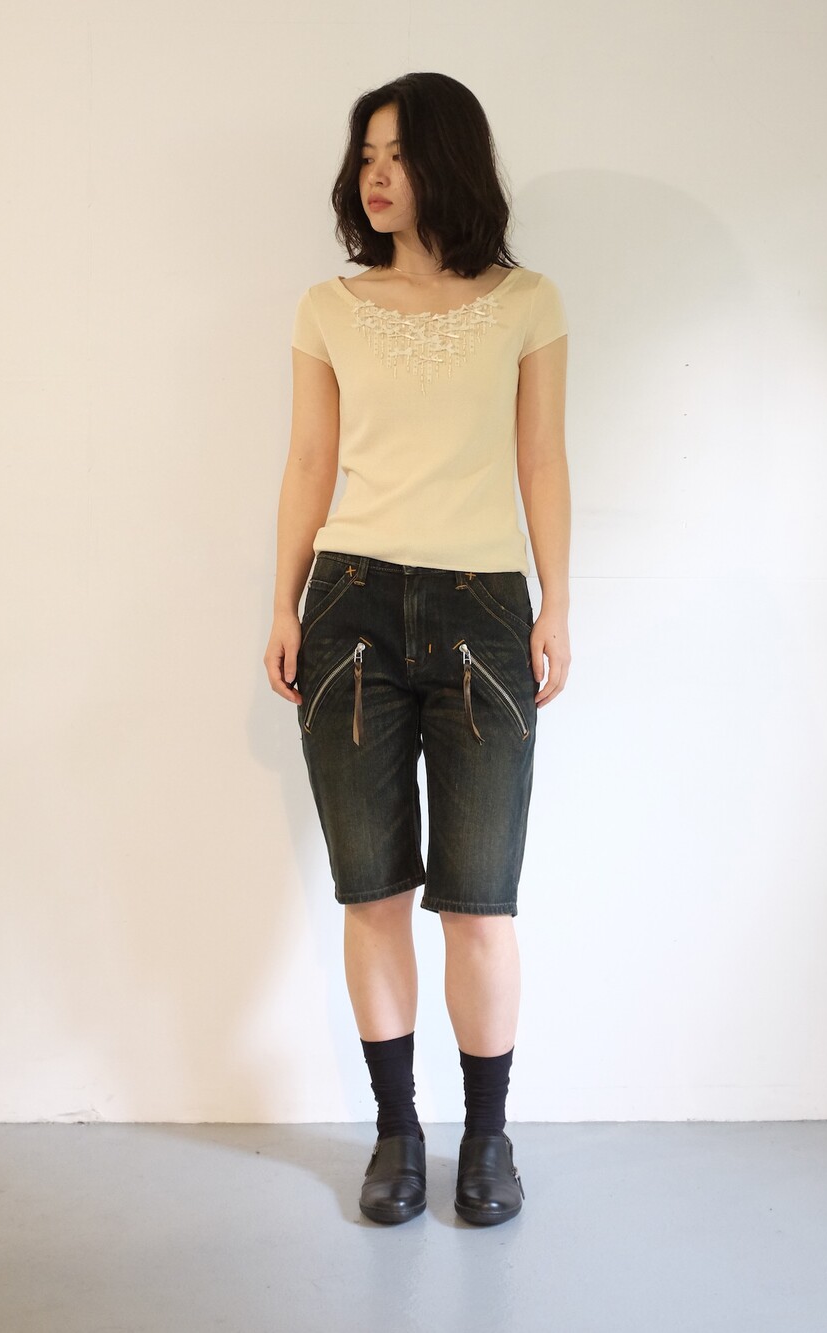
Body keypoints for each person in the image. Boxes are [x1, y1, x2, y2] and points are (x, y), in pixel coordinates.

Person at [264, 72, 570, 1227]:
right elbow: (309, 461)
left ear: (450, 160)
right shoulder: (329, 308)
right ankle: (397, 1134)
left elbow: (541, 459)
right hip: (349, 608)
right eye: (365, 156)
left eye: (395, 154)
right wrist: (283, 602)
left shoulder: (527, 301)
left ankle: (487, 1137)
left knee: (479, 900)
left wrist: (557, 601)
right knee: (375, 891)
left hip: (486, 612)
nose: (374, 176)